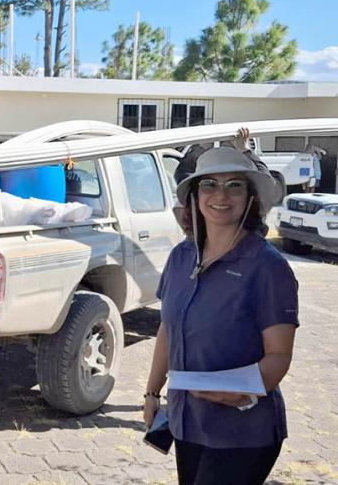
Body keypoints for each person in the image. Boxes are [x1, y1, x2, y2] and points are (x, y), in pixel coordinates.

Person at [143, 146, 298, 484]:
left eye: (235, 185)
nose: (221, 195)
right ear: (195, 196)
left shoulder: (268, 268)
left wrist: (245, 391)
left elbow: (279, 356)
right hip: (188, 421)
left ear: (251, 197)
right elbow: (168, 331)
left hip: (242, 432)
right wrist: (153, 393)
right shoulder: (181, 257)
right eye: (209, 184)